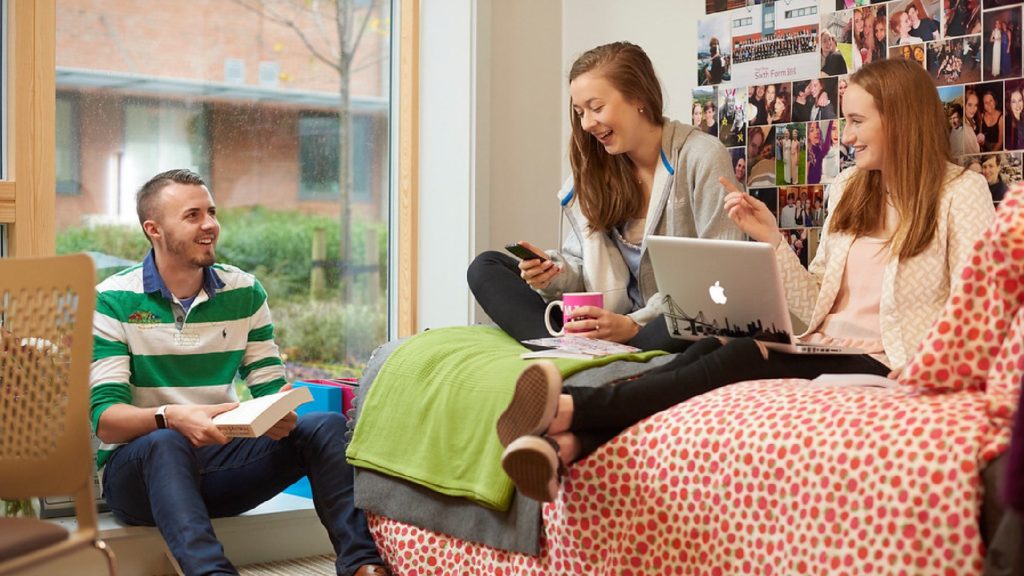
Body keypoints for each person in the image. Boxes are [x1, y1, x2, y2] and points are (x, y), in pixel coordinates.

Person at [495, 58, 995, 503]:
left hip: (889, 360)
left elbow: (978, 307)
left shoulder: (960, 194)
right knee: (710, 345)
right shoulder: (848, 189)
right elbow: (816, 299)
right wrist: (772, 240)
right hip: (822, 343)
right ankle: (568, 443)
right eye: (847, 121)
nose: (846, 135)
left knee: (737, 353)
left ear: (902, 122)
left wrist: (933, 375)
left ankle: (567, 408)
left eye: (858, 121)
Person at [90, 169, 389, 576]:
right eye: (192, 215)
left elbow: (269, 384)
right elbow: (106, 422)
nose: (210, 224)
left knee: (325, 426)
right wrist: (171, 416)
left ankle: (361, 565)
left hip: (218, 468)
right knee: (165, 441)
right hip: (139, 478)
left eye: (211, 212)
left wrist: (280, 411)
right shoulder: (112, 300)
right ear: (154, 229)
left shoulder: (244, 291)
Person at [467, 42, 743, 352]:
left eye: (596, 108)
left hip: (662, 323)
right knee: (484, 266)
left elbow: (722, 273)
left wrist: (633, 324)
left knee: (694, 322)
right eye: (579, 112)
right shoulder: (595, 169)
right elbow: (583, 271)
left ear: (638, 97)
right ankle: (566, 348)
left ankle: (581, 350)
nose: (586, 124)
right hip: (607, 321)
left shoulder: (701, 157)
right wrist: (552, 274)